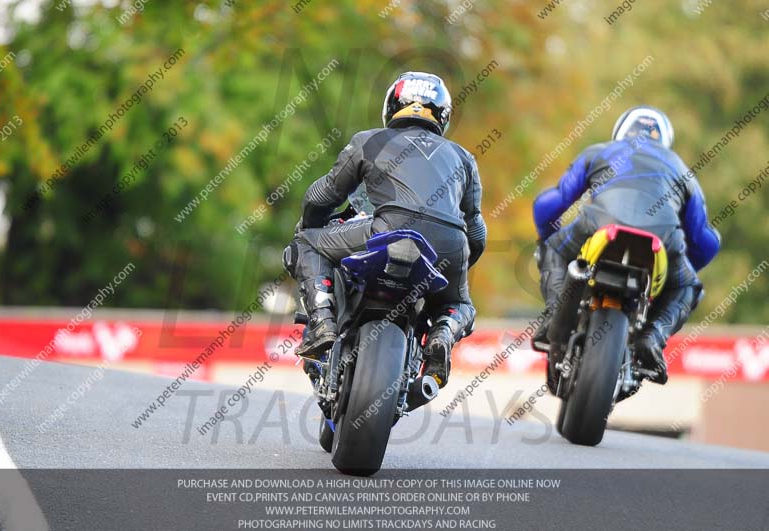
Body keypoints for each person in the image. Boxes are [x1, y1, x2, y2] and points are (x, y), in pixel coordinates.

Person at [282, 71, 487, 388]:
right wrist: (455, 266)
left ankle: (322, 319)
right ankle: (443, 331)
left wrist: (310, 224)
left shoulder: (368, 140)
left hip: (384, 230)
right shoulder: (464, 158)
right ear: (443, 114)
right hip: (449, 244)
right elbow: (476, 233)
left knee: (308, 241)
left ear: (392, 106)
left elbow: (321, 196)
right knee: (460, 304)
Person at [532, 105, 720, 387]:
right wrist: (678, 268)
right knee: (688, 286)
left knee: (554, 250)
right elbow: (705, 241)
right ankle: (652, 337)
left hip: (598, 224)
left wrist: (548, 233)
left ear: (621, 130)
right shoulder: (681, 169)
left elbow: (554, 202)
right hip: (664, 239)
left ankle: (555, 315)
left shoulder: (602, 150)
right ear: (665, 140)